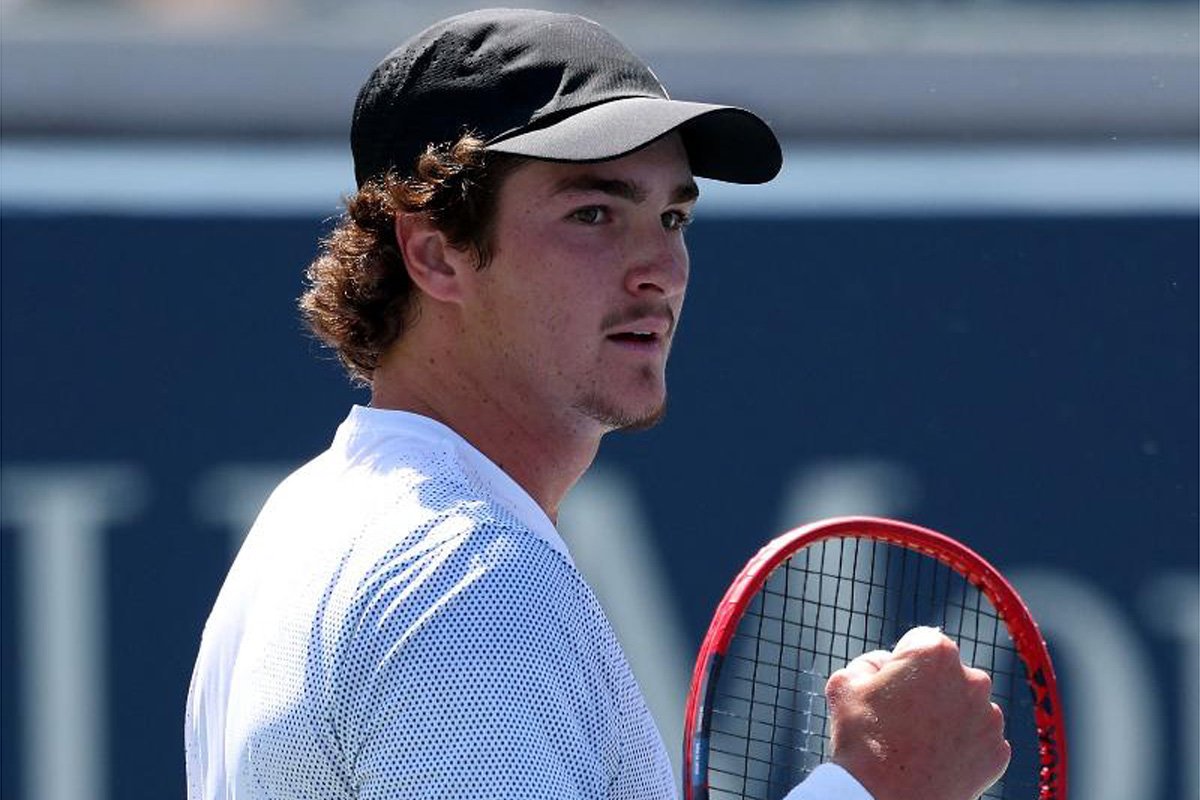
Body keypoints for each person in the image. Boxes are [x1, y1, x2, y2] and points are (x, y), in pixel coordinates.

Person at [184, 8, 1009, 799]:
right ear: (436, 254)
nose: (661, 268)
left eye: (673, 216)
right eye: (593, 213)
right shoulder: (464, 576)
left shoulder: (312, 515)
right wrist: (872, 788)